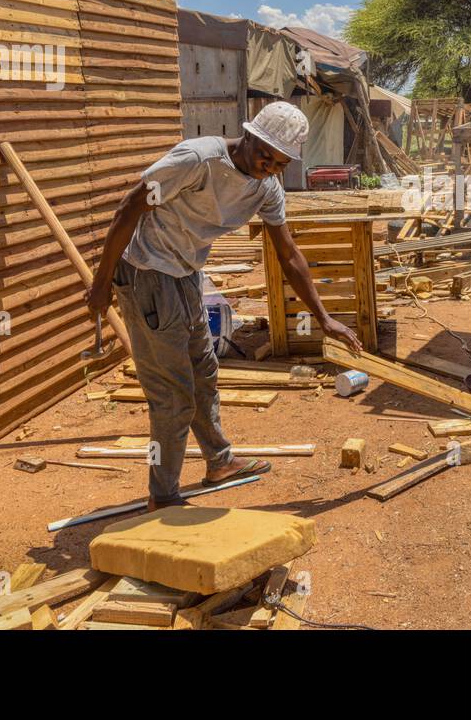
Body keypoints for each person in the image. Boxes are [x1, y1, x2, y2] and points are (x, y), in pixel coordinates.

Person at [86, 102, 363, 511]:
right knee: (172, 395)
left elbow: (288, 255)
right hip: (147, 274)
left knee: (204, 372)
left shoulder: (267, 188)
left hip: (186, 275)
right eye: (263, 155)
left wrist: (323, 318)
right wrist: (102, 280)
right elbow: (129, 208)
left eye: (278, 163)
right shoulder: (197, 160)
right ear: (247, 136)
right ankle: (162, 495)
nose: (267, 167)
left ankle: (219, 461)